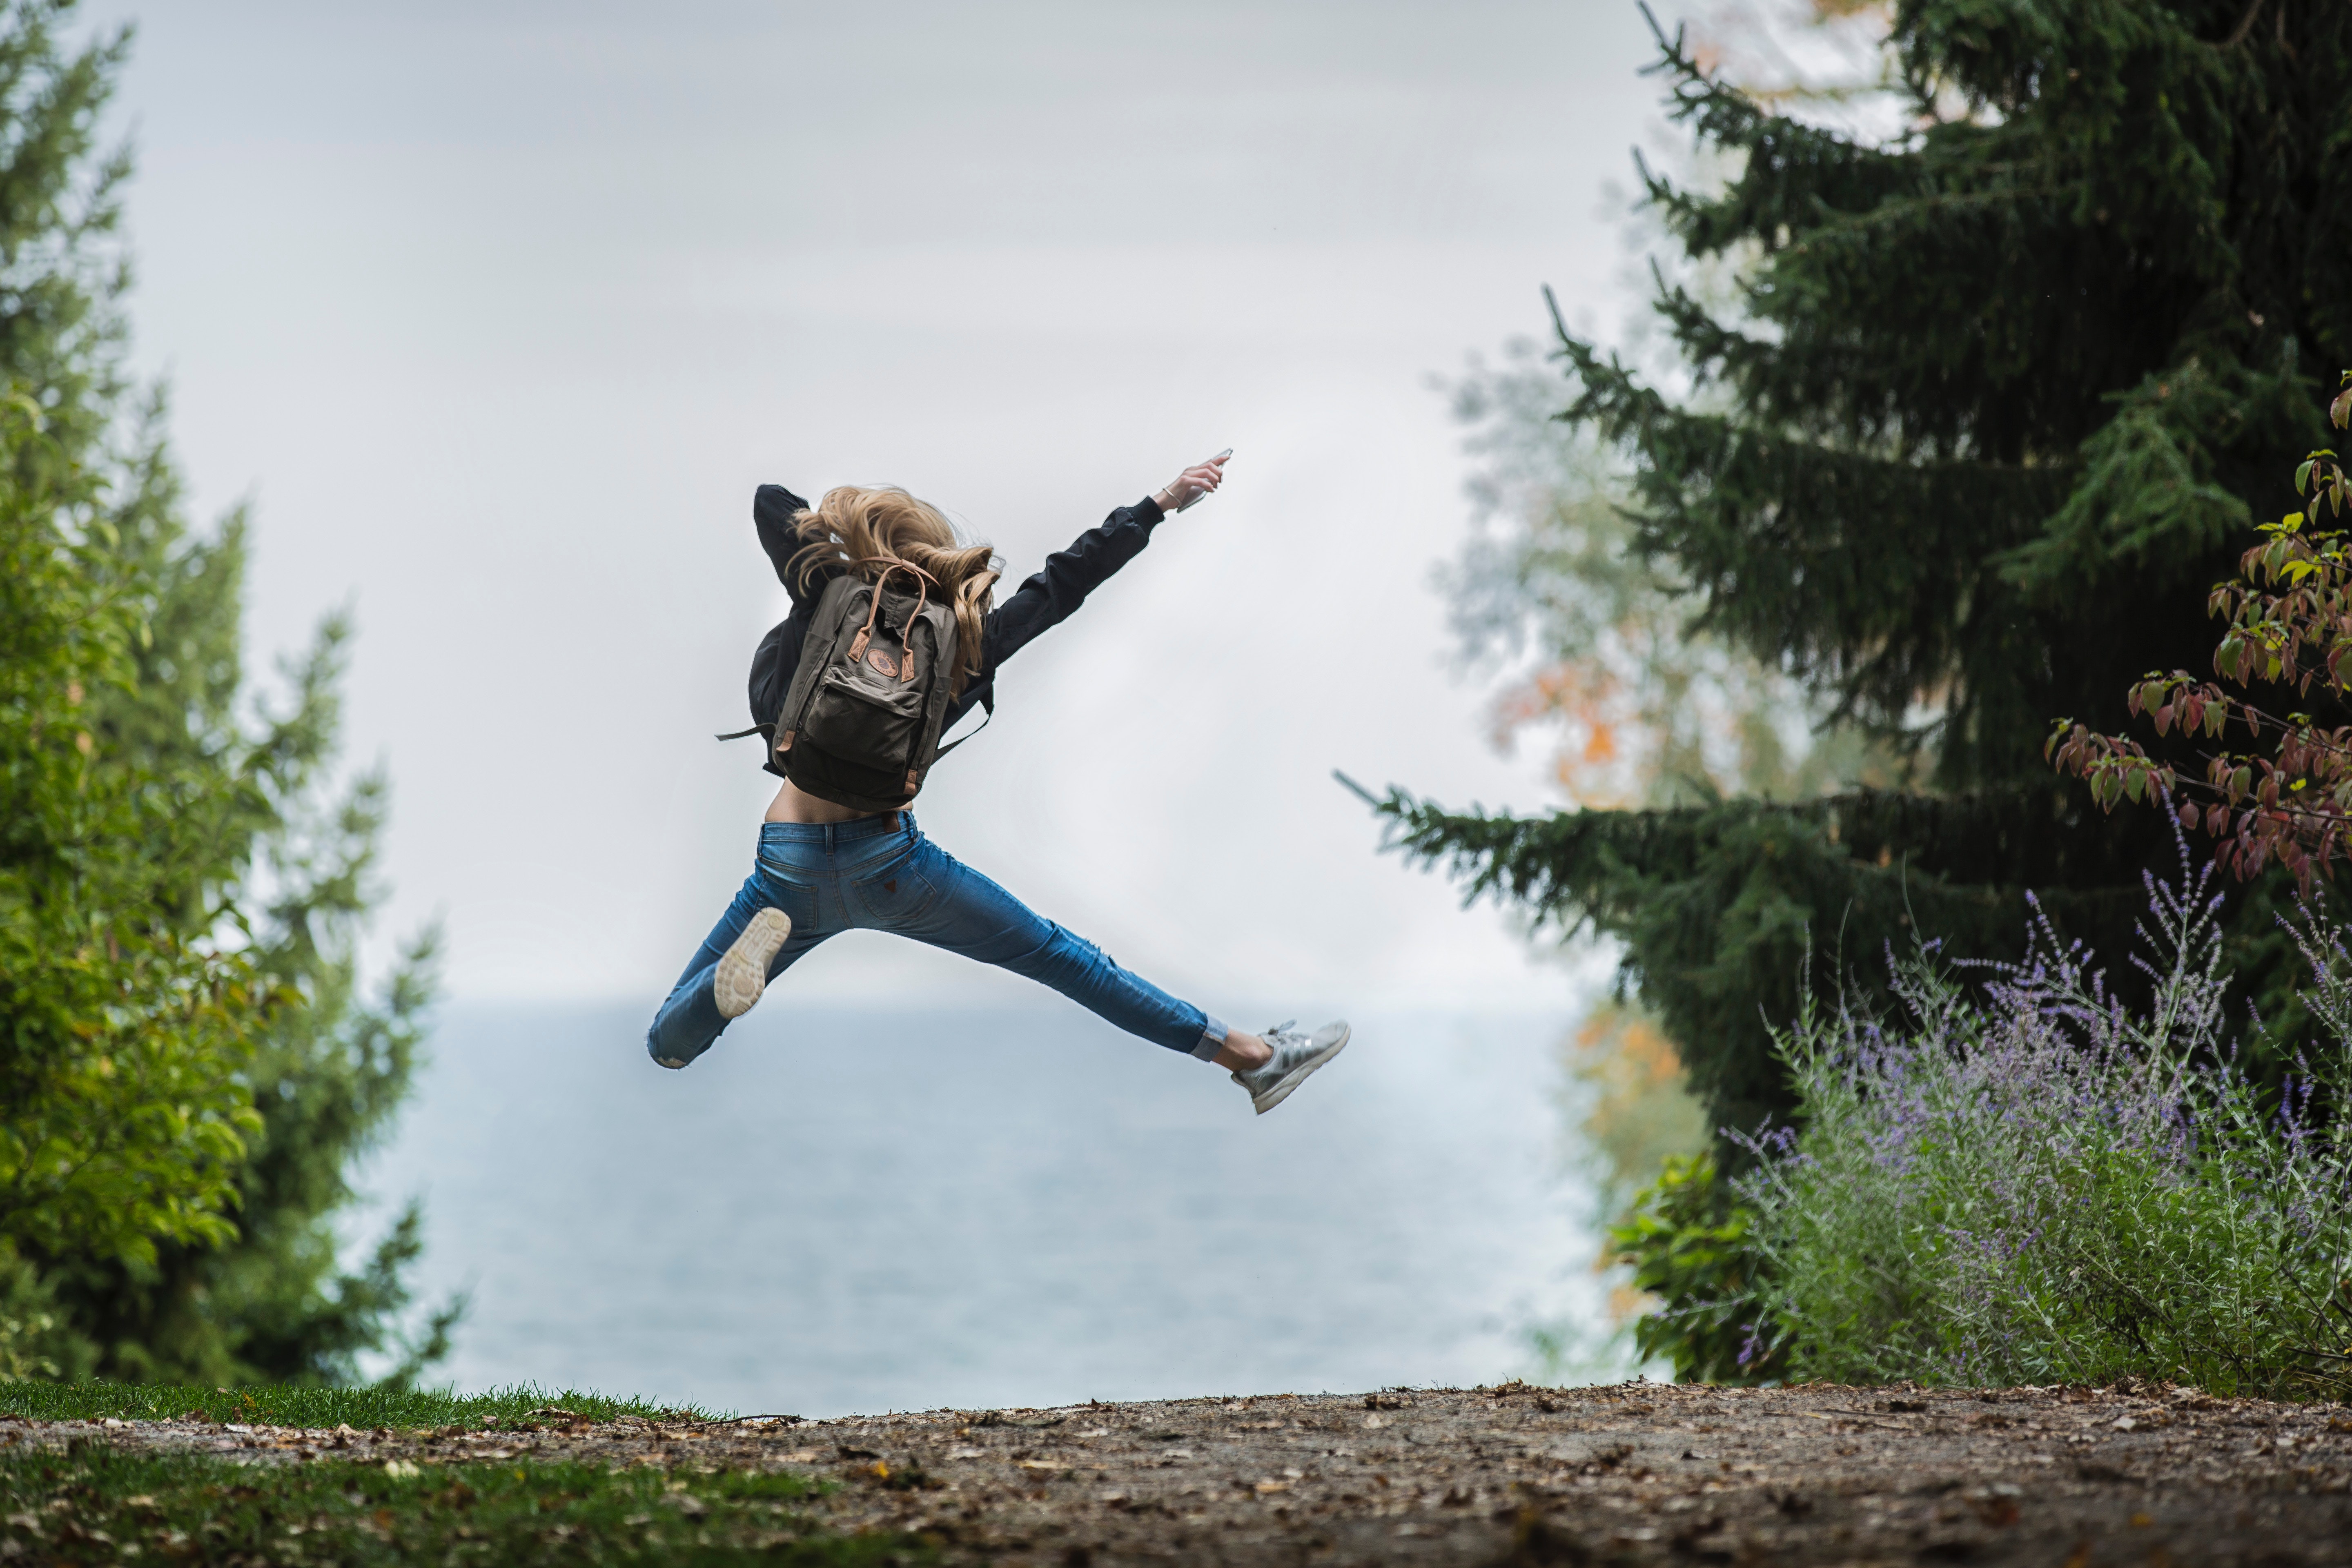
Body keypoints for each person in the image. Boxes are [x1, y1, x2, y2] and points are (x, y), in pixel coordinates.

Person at [644, 452, 1349, 1114]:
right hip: (890, 865)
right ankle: (1251, 1058)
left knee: (667, 1044)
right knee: (1066, 961)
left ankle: (722, 991)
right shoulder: (964, 641)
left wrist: (848, 544)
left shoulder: (826, 596)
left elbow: (773, 503)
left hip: (788, 864)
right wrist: (1159, 504)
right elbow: (1063, 586)